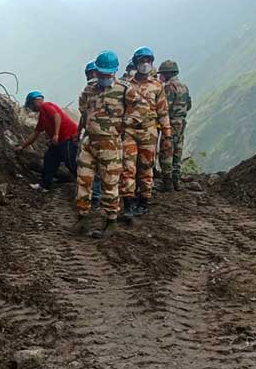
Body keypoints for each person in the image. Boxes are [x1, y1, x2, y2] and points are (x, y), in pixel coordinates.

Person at [73, 50, 128, 236]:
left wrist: (120, 129)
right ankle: (82, 218)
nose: (104, 77)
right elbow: (83, 111)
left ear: (114, 72)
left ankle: (111, 221)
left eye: (107, 73)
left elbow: (139, 114)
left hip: (110, 144)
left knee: (109, 183)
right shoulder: (89, 90)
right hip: (89, 142)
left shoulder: (125, 91)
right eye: (101, 73)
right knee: (83, 181)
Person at [119, 47, 172, 220]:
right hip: (129, 132)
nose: (145, 64)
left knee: (146, 168)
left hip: (149, 132)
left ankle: (143, 202)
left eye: (148, 61)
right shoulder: (125, 85)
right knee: (128, 168)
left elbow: (163, 112)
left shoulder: (157, 86)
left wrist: (167, 135)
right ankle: (128, 204)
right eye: (142, 61)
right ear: (136, 63)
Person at [15, 91, 79, 191]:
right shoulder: (42, 116)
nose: (31, 108)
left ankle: (86, 184)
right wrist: (22, 146)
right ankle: (45, 185)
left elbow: (57, 116)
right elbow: (35, 133)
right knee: (49, 159)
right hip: (58, 140)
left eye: (31, 105)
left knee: (70, 162)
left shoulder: (46, 106)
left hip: (68, 137)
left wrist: (56, 135)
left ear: (35, 101)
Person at [158, 60, 192, 191]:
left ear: (167, 73)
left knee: (166, 152)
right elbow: (188, 105)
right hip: (182, 122)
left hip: (171, 123)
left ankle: (167, 184)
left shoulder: (168, 87)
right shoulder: (184, 86)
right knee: (177, 151)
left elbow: (165, 107)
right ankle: (176, 181)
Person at [80, 61, 102, 209]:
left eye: (92, 73)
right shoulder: (87, 91)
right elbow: (84, 115)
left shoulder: (106, 90)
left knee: (96, 168)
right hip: (91, 134)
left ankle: (95, 198)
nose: (91, 76)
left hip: (103, 136)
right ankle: (93, 198)